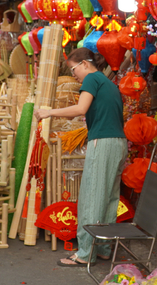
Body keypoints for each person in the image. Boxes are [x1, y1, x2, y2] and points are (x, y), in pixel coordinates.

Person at [34, 47, 127, 267]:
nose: (74, 75)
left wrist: (49, 112)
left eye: (74, 69)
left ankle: (85, 253)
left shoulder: (92, 79)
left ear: (85, 64)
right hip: (118, 143)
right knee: (109, 199)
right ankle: (103, 248)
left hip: (103, 143)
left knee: (92, 198)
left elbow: (81, 108)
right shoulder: (107, 82)